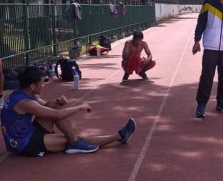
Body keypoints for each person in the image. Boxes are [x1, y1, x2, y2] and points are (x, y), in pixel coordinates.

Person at [0, 66, 137, 157]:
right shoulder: (25, 103)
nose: (44, 85)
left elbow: (47, 106)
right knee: (75, 140)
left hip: (28, 132)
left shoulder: (24, 93)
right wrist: (79, 107)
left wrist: (57, 103)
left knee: (54, 106)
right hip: (26, 144)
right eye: (42, 83)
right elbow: (57, 115)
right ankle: (119, 136)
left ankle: (74, 142)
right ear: (32, 85)